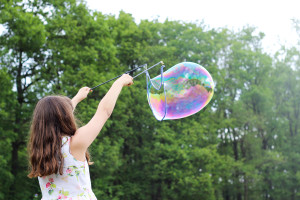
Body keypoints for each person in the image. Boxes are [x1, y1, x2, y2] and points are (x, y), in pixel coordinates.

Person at [28, 74, 133, 200]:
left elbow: (55, 117)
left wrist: (77, 98)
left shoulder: (41, 149)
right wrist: (119, 82)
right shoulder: (74, 143)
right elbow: (104, 111)